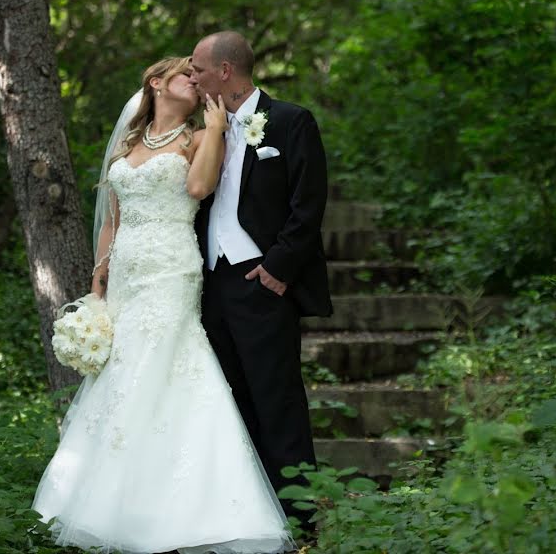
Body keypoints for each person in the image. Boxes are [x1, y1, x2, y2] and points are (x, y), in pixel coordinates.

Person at [32, 56, 296, 554]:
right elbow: (112, 216)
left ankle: (198, 505)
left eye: (198, 78)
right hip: (127, 269)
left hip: (173, 265)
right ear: (156, 84)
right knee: (125, 367)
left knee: (169, 360)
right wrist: (99, 271)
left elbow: (199, 188)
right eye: (184, 76)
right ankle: (115, 495)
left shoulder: (196, 138)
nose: (194, 83)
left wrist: (216, 128)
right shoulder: (128, 145)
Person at [189, 31, 333, 528]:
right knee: (228, 404)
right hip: (212, 287)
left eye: (198, 69)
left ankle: (299, 519)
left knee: (278, 400)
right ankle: (247, 520)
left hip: (263, 282)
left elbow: (308, 204)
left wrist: (277, 268)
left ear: (225, 71)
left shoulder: (291, 121)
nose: (192, 77)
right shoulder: (203, 129)